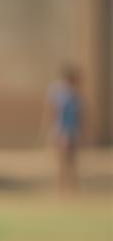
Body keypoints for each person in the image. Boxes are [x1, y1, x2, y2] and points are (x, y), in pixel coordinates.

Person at [45, 64, 83, 193]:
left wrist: (79, 131)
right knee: (61, 160)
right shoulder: (59, 93)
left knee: (72, 161)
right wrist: (54, 132)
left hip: (72, 131)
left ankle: (72, 188)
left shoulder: (75, 94)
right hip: (62, 130)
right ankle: (60, 188)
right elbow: (53, 112)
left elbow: (79, 115)